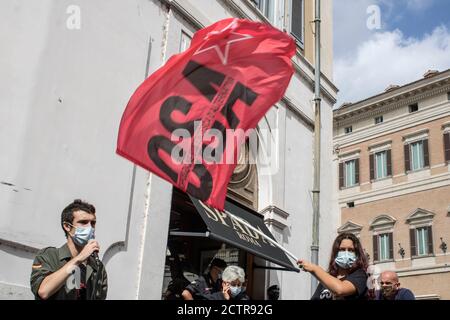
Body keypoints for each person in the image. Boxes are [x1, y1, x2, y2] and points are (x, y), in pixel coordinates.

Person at [30, 199, 107, 300]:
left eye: (92, 223)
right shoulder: (50, 256)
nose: (90, 228)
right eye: (83, 222)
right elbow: (43, 291)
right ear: (67, 226)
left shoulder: (97, 267)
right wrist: (78, 259)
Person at [297, 233, 368, 300]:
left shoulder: (360, 275)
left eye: (351, 250)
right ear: (336, 252)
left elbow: (340, 290)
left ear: (357, 254)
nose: (346, 253)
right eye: (342, 249)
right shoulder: (328, 278)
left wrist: (315, 269)